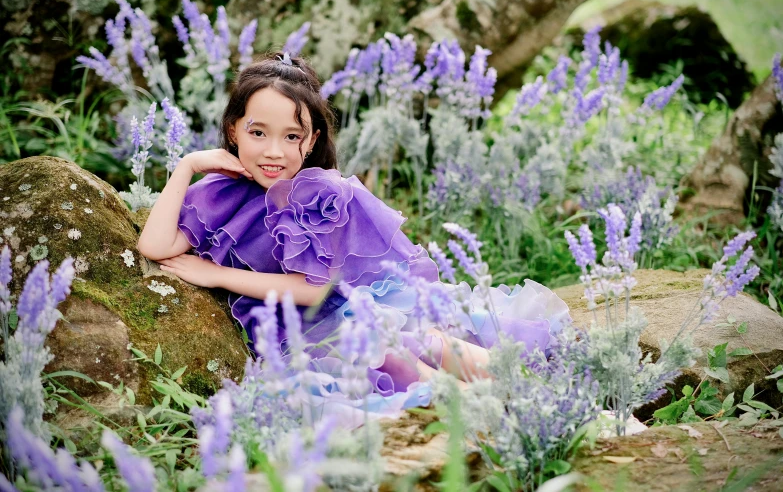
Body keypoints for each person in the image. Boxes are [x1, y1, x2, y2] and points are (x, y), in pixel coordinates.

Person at [137, 52, 569, 418]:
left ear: (312, 141)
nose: (273, 151)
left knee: (430, 342)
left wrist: (216, 275)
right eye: (257, 133)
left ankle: (563, 402)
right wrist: (187, 165)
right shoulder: (217, 193)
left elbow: (314, 290)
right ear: (234, 130)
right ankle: (514, 414)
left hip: (351, 307)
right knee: (410, 371)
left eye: (292, 136)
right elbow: (155, 247)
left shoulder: (319, 193)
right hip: (304, 337)